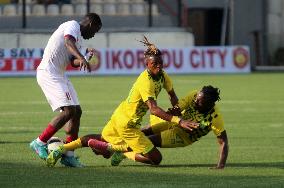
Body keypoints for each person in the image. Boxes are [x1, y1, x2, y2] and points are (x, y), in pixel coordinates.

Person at [46, 36, 199, 167]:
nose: (158, 67)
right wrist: (179, 121)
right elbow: (153, 109)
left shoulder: (163, 76)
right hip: (128, 125)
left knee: (102, 145)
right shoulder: (146, 81)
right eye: (154, 64)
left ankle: (62, 149)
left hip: (121, 115)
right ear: (147, 64)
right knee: (156, 159)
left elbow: (172, 95)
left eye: (160, 63)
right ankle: (121, 151)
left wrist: (177, 107)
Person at [29, 13, 102, 167]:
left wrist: (84, 58)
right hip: (49, 72)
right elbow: (68, 41)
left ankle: (69, 154)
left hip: (60, 74)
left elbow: (72, 62)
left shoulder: (79, 41)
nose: (94, 35)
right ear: (90, 25)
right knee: (68, 111)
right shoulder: (72, 25)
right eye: (95, 31)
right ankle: (39, 142)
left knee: (77, 111)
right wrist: (81, 57)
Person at [140, 85, 229, 169]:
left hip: (183, 136)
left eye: (199, 101)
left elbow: (223, 142)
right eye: (196, 98)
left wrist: (220, 165)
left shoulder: (214, 117)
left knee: (148, 141)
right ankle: (127, 146)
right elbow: (178, 107)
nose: (195, 101)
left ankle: (127, 153)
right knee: (142, 131)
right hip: (178, 122)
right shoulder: (194, 95)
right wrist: (174, 111)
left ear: (208, 104)